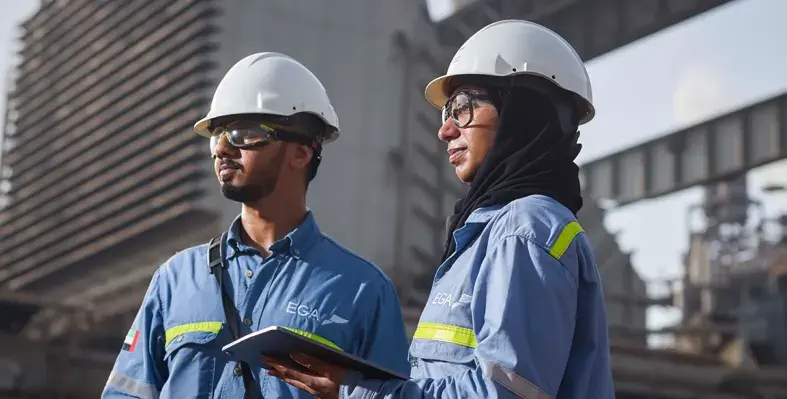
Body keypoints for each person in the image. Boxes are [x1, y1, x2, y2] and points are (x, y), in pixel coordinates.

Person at [263, 19, 615, 399]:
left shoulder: (525, 231)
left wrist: (358, 393)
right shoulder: (487, 234)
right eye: (446, 112)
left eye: (462, 108)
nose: (445, 130)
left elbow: (503, 395)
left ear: (522, 111)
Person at [101, 52, 411, 399]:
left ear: (302, 153)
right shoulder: (176, 279)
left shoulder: (362, 290)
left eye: (242, 133)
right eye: (216, 135)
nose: (221, 149)